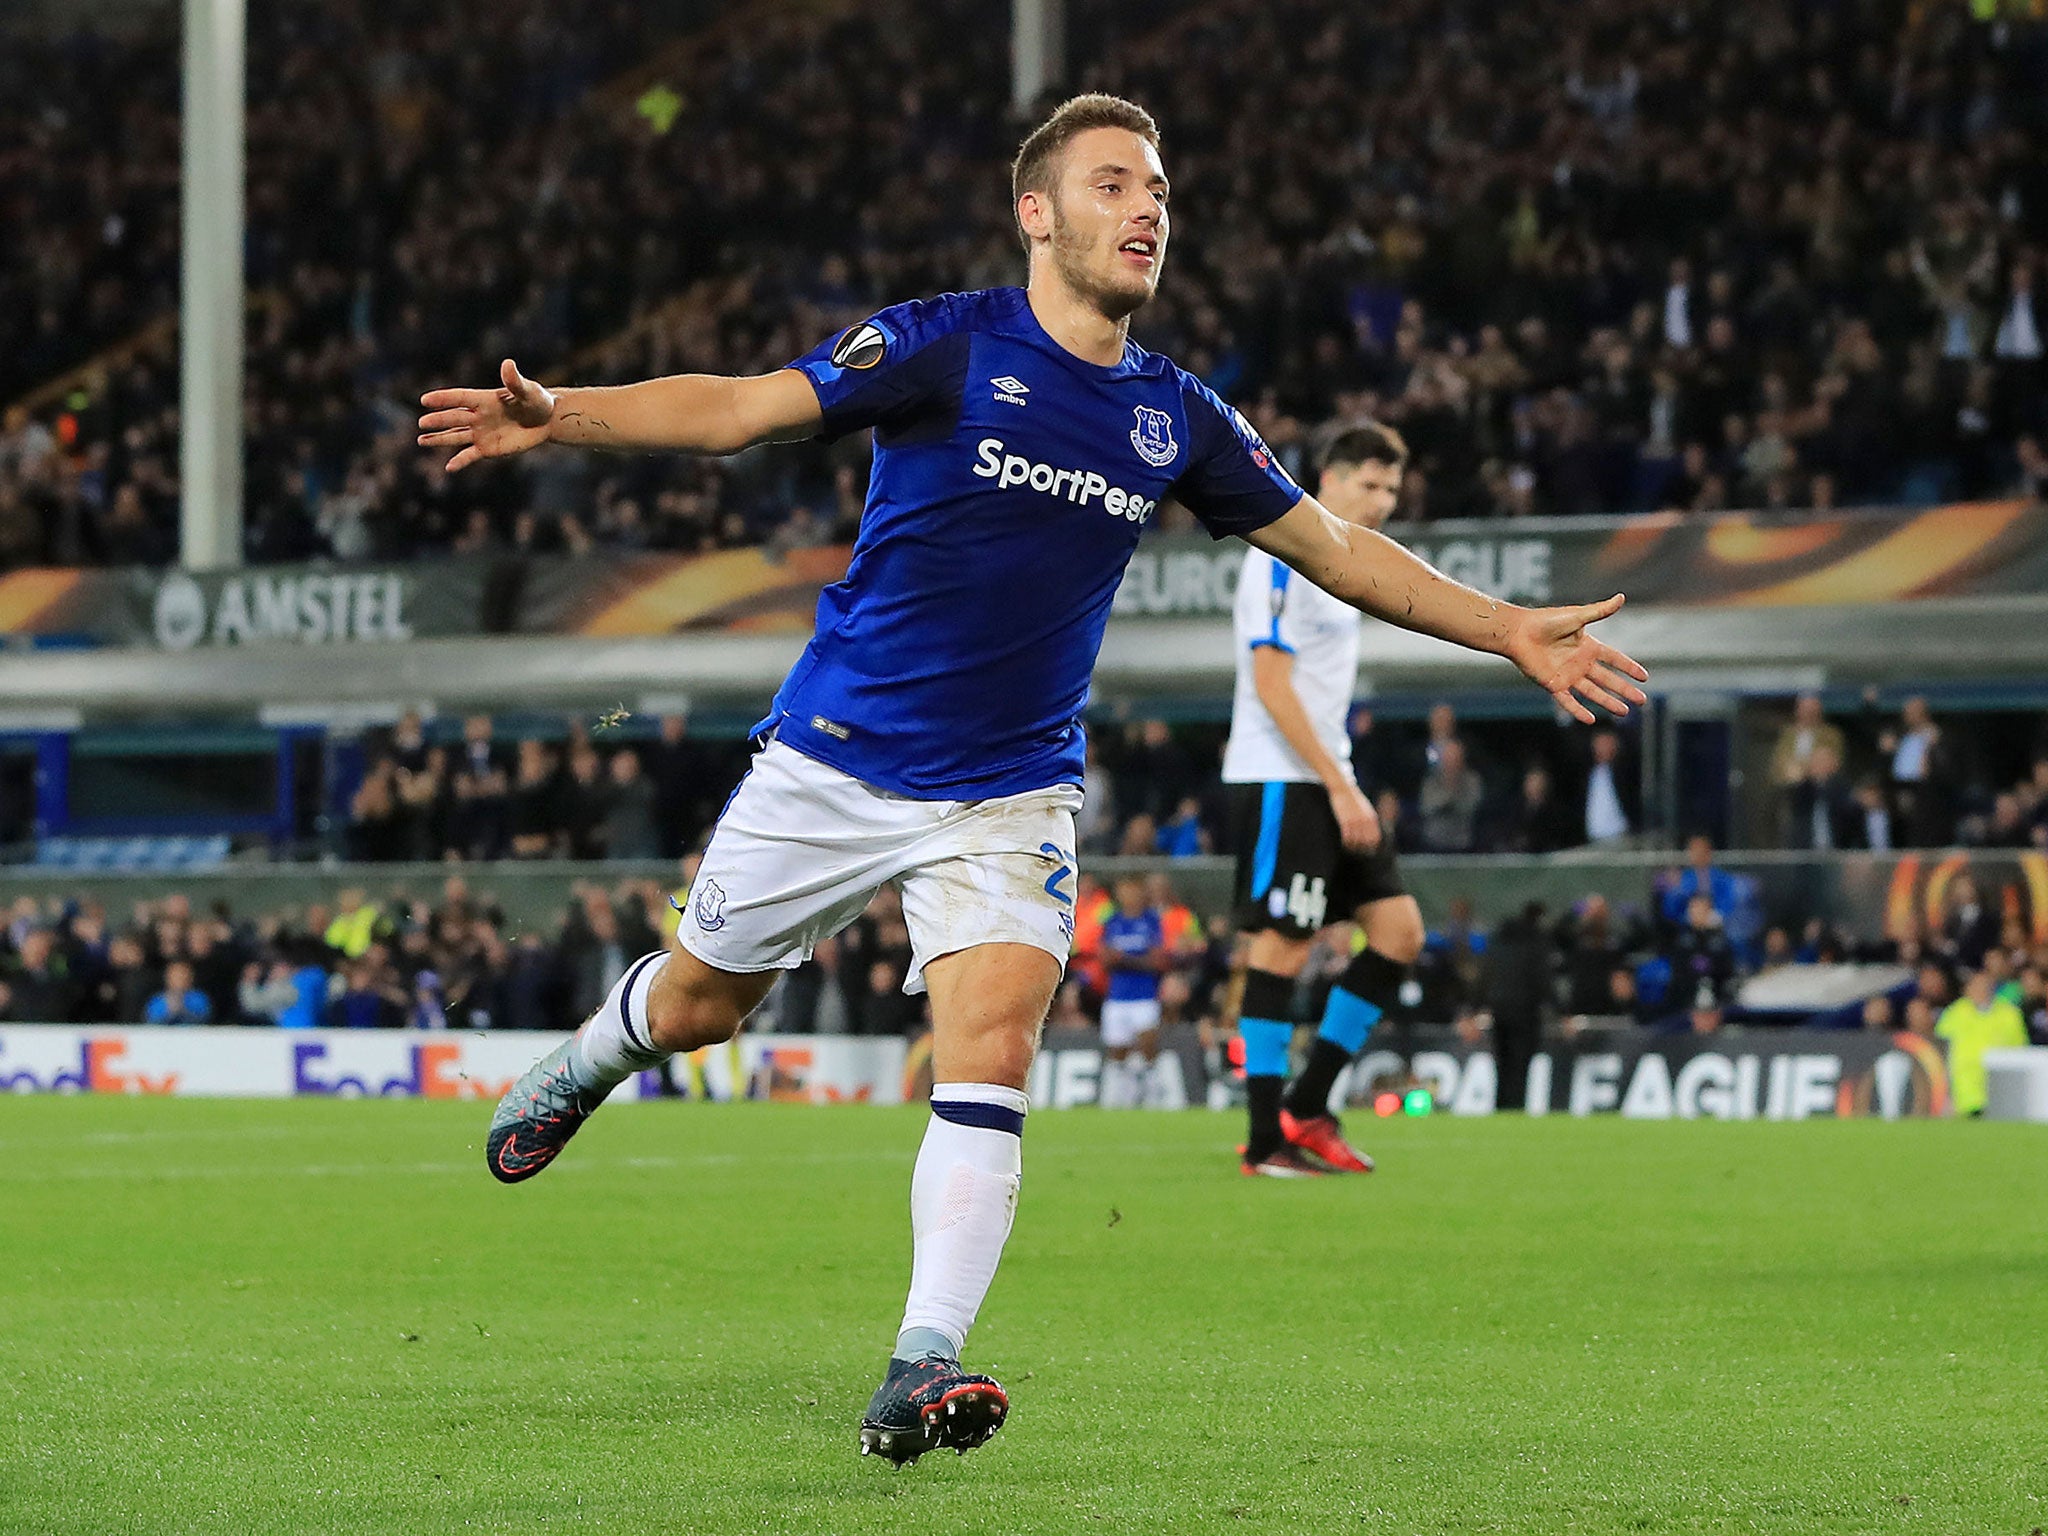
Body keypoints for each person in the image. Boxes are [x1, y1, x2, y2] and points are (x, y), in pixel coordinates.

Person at [417, 93, 1647, 1464]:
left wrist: (1508, 628)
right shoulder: (948, 343)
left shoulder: (1174, 415)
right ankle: (595, 1056)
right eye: (1116, 183)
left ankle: (919, 1364)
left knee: (991, 1049)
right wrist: (565, 416)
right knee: (701, 1005)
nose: (1148, 210)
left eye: (1162, 191)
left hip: (1010, 788)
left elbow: (1334, 549)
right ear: (1038, 213)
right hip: (840, 755)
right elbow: (747, 409)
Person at [1218, 423, 1425, 1175]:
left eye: (1392, 490)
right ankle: (1266, 1137)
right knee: (1282, 944)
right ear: (1329, 479)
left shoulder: (1343, 560)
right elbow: (1271, 685)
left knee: (1398, 931)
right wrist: (1340, 787)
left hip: (1325, 772)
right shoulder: (1280, 553)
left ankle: (1307, 1106)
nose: (1382, 501)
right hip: (1282, 776)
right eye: (1369, 485)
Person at [1097, 875, 1166, 1109]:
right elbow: (1104, 960)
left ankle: (1154, 1097)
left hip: (1144, 995)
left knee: (1148, 1048)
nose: (1129, 895)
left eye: (1133, 890)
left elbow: (1158, 960)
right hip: (1117, 997)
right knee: (1117, 1051)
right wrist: (1132, 958)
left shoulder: (1151, 921)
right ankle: (1120, 1099)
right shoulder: (1112, 922)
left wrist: (1123, 959)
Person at [1935, 968, 2028, 1117]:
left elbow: (2020, 1050)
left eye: (1985, 986)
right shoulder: (1954, 1013)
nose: (1981, 990)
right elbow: (1940, 1050)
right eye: (1977, 986)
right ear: (1967, 989)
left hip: (2000, 1086)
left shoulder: (2010, 1014)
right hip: (1963, 1088)